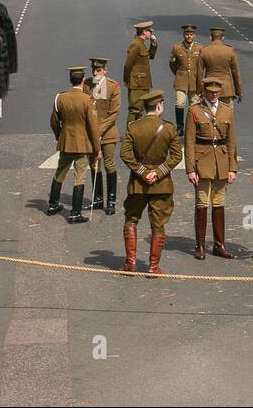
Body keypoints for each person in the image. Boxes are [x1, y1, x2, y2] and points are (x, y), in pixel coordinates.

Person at [119, 89, 182, 274]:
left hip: (138, 183)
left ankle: (130, 263)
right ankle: (153, 266)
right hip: (161, 185)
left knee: (131, 219)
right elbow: (177, 156)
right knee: (158, 224)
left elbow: (125, 154)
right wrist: (159, 172)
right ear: (159, 106)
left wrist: (143, 172)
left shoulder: (133, 127)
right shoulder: (168, 128)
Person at [185, 76, 237, 260]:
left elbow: (231, 141)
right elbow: (189, 141)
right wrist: (190, 169)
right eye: (211, 92)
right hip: (203, 161)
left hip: (221, 162)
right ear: (205, 91)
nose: (214, 95)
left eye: (217, 92)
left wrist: (232, 167)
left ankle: (219, 245)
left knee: (219, 202)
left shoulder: (226, 110)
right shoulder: (194, 110)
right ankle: (200, 245)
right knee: (201, 203)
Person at [48, 66, 102, 224]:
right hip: (81, 144)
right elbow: (93, 126)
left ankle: (52, 204)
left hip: (65, 142)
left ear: (71, 80)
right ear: (83, 80)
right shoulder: (87, 99)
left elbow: (53, 122)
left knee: (60, 173)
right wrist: (96, 148)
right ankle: (75, 213)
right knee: (80, 177)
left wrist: (60, 136)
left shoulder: (60, 97)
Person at [86, 57, 122, 215]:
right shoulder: (87, 84)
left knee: (109, 165)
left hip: (107, 134)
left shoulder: (113, 87)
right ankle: (97, 199)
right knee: (94, 166)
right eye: (94, 69)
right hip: (90, 134)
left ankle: (111, 201)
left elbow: (114, 113)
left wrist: (98, 132)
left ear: (105, 71)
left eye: (99, 70)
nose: (95, 72)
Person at [168, 24, 202, 137]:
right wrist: (178, 73)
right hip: (181, 80)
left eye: (191, 34)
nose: (189, 36)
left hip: (194, 80)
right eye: (187, 34)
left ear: (194, 35)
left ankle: (195, 127)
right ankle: (180, 127)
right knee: (180, 103)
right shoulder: (177, 47)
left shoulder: (200, 48)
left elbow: (202, 66)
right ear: (183, 35)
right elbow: (172, 64)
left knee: (195, 105)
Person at [123, 20, 159, 122]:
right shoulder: (136, 44)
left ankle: (136, 132)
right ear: (144, 32)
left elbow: (150, 56)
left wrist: (153, 43)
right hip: (137, 83)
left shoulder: (141, 44)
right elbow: (128, 64)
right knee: (135, 109)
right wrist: (127, 80)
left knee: (140, 109)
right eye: (149, 31)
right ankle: (130, 134)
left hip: (143, 83)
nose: (151, 33)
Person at [197, 26, 241, 103]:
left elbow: (199, 73)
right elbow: (235, 73)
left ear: (210, 38)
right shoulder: (229, 51)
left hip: (209, 88)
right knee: (226, 113)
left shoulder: (204, 51)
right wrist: (238, 92)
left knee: (209, 113)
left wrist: (200, 90)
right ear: (223, 38)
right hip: (226, 89)